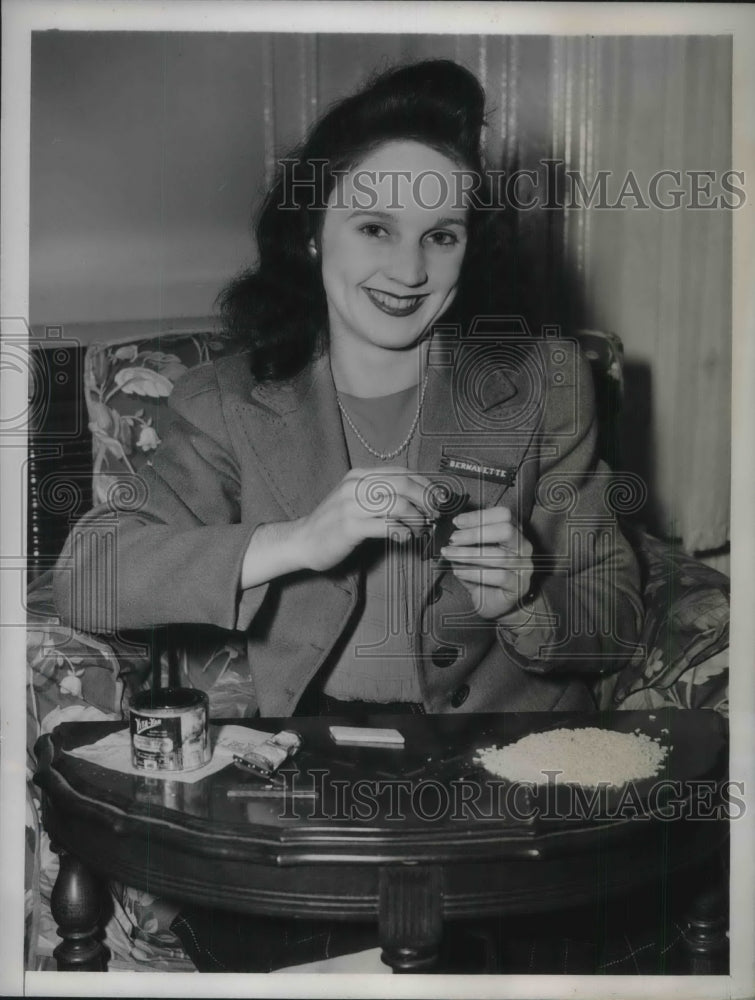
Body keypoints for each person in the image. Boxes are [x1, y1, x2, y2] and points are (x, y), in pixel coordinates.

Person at [52, 59, 644, 971]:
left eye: (440, 236)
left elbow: (614, 620)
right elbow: (87, 574)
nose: (408, 270)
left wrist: (524, 598)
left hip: (512, 788)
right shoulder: (222, 401)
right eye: (375, 227)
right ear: (312, 234)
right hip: (311, 780)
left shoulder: (544, 383)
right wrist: (293, 543)